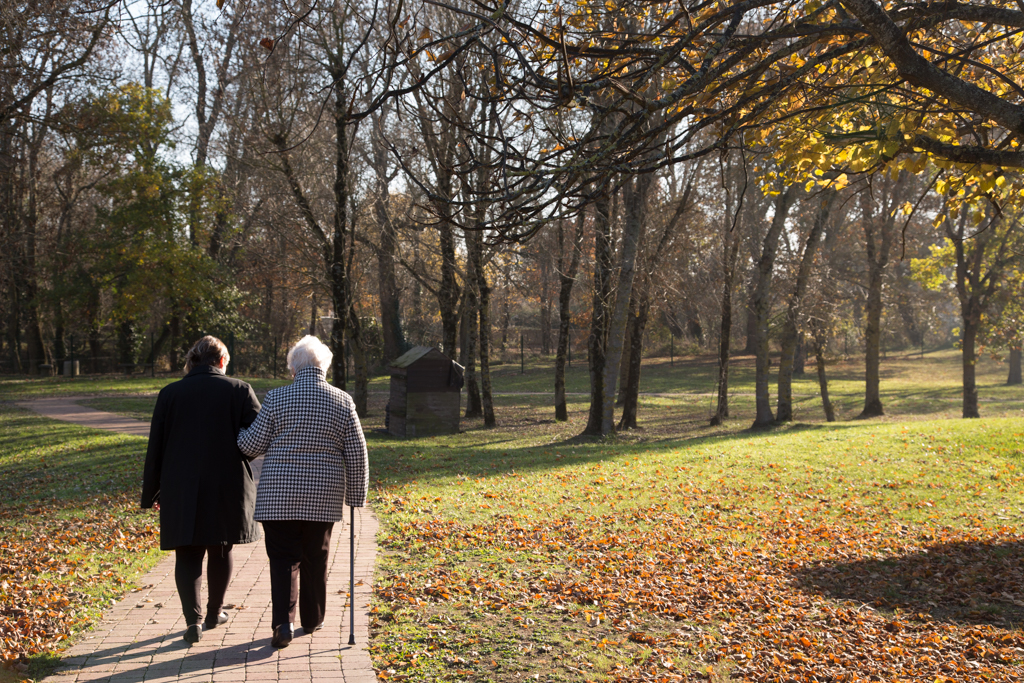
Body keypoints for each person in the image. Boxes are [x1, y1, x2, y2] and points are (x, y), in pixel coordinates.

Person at [237, 335, 368, 649]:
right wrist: (356, 496)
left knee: (282, 559)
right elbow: (357, 452)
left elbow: (251, 445)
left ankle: (283, 623)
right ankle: (313, 619)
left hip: (279, 495)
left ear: (293, 368)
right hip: (323, 495)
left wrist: (238, 433)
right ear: (324, 367)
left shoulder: (276, 398)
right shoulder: (342, 400)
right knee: (316, 557)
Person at [141, 335, 262, 645]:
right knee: (221, 548)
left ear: (193, 360)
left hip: (180, 484)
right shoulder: (239, 390)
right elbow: (258, 437)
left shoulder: (170, 393)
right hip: (227, 483)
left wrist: (153, 492)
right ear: (222, 361)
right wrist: (243, 454)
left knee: (188, 552)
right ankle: (214, 612)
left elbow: (156, 446)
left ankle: (192, 621)